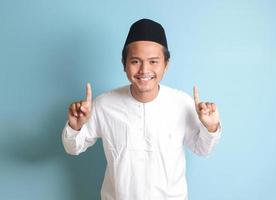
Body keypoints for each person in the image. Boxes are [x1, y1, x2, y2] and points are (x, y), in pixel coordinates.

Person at [61, 18, 221, 200]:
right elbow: (72, 148)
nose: (144, 70)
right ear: (124, 64)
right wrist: (75, 127)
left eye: (153, 61)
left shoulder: (182, 103)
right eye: (135, 61)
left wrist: (210, 128)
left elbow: (203, 149)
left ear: (166, 65)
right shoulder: (104, 104)